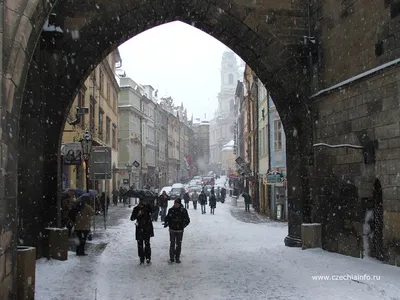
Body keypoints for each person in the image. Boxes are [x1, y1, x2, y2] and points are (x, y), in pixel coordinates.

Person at [164, 198, 190, 263]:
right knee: (172, 244)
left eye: (176, 203)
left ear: (179, 204)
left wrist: (183, 225)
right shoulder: (171, 210)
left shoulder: (183, 211)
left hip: (180, 230)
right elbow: (167, 218)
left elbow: (187, 220)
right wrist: (167, 223)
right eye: (174, 203)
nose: (175, 204)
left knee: (178, 244)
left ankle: (177, 257)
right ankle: (171, 258)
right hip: (172, 229)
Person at [130, 198, 154, 264]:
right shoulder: (136, 209)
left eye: (143, 201)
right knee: (140, 244)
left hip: (147, 227)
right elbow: (132, 218)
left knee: (147, 244)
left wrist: (148, 206)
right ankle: (141, 258)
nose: (142, 203)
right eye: (141, 201)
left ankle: (148, 258)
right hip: (139, 228)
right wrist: (137, 214)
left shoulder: (148, 207)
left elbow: (153, 211)